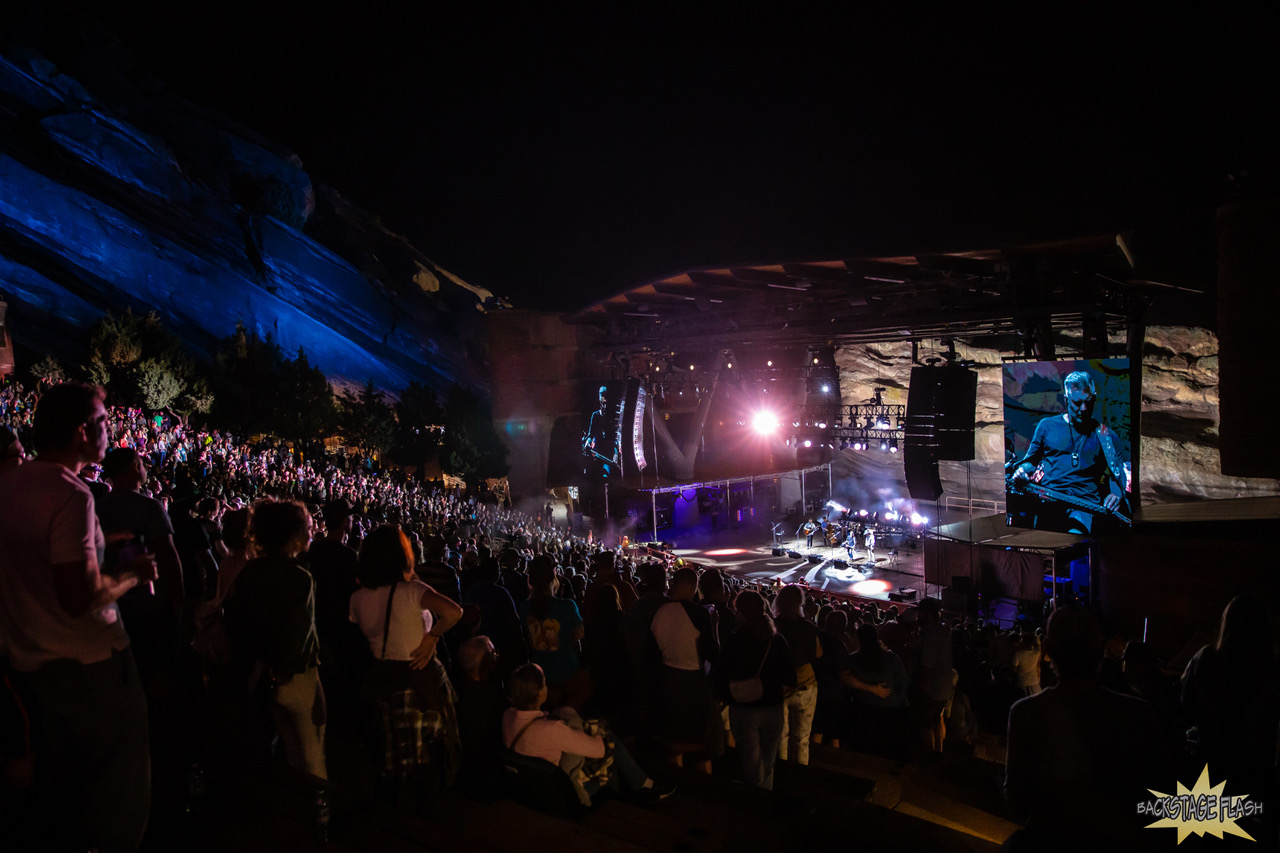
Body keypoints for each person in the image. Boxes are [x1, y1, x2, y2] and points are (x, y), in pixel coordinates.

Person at [0, 382, 157, 852]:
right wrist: (130, 574)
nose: (111, 431)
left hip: (33, 663)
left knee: (65, 788)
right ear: (80, 433)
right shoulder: (72, 494)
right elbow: (76, 597)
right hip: (93, 667)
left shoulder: (9, 484)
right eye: (104, 422)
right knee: (116, 793)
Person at [1004, 607, 1170, 849]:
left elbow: (1017, 802)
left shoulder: (1026, 713)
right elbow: (1159, 797)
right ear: (1100, 650)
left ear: (1047, 650)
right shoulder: (1139, 713)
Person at [349, 525, 463, 806]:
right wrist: (433, 636)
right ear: (403, 555)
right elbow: (453, 612)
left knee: (390, 755)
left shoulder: (357, 598)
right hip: (420, 682)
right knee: (428, 758)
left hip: (383, 681)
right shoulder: (413, 590)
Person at [225, 499, 327, 780]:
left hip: (262, 673)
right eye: (307, 527)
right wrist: (282, 670)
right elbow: (299, 634)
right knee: (312, 751)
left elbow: (238, 623)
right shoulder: (300, 577)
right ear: (292, 534)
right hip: (296, 676)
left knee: (290, 750)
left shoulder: (250, 571)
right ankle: (317, 813)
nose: (312, 531)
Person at [502, 663, 672, 806]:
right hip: (563, 795)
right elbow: (599, 749)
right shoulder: (552, 730)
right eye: (545, 684)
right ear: (539, 693)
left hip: (531, 790)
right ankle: (640, 788)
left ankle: (633, 787)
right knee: (608, 741)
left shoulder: (508, 716)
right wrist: (596, 730)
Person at [1009, 371, 1128, 533]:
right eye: (1077, 403)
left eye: (1089, 402)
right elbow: (1031, 461)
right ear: (1066, 400)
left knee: (1074, 540)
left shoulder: (1106, 436)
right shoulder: (1046, 426)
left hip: (1084, 506)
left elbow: (1118, 475)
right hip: (1049, 501)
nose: (1084, 409)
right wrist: (1022, 470)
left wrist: (1116, 496)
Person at [718, 590, 794, 790]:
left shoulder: (733, 641)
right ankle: (763, 807)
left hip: (744, 710)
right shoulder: (777, 641)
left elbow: (720, 675)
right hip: (773, 709)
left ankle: (756, 811)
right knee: (767, 766)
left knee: (752, 768)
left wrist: (728, 697)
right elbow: (790, 678)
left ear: (740, 614)